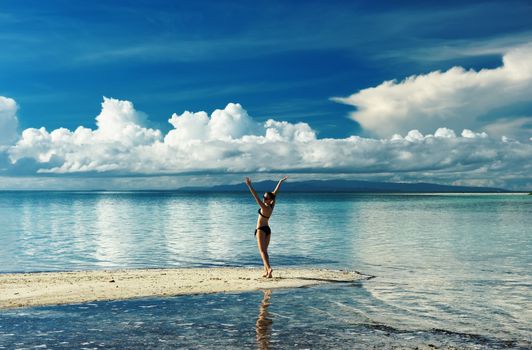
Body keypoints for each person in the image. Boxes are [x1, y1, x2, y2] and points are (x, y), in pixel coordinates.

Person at [245, 176, 288, 278]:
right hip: (267, 229)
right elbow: (275, 193)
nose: (263, 198)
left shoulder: (264, 206)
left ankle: (269, 269)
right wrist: (280, 182)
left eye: (265, 198)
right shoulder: (271, 206)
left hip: (261, 230)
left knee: (262, 251)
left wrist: (249, 185)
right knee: (265, 251)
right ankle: (267, 272)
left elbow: (255, 196)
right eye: (263, 197)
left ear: (269, 200)